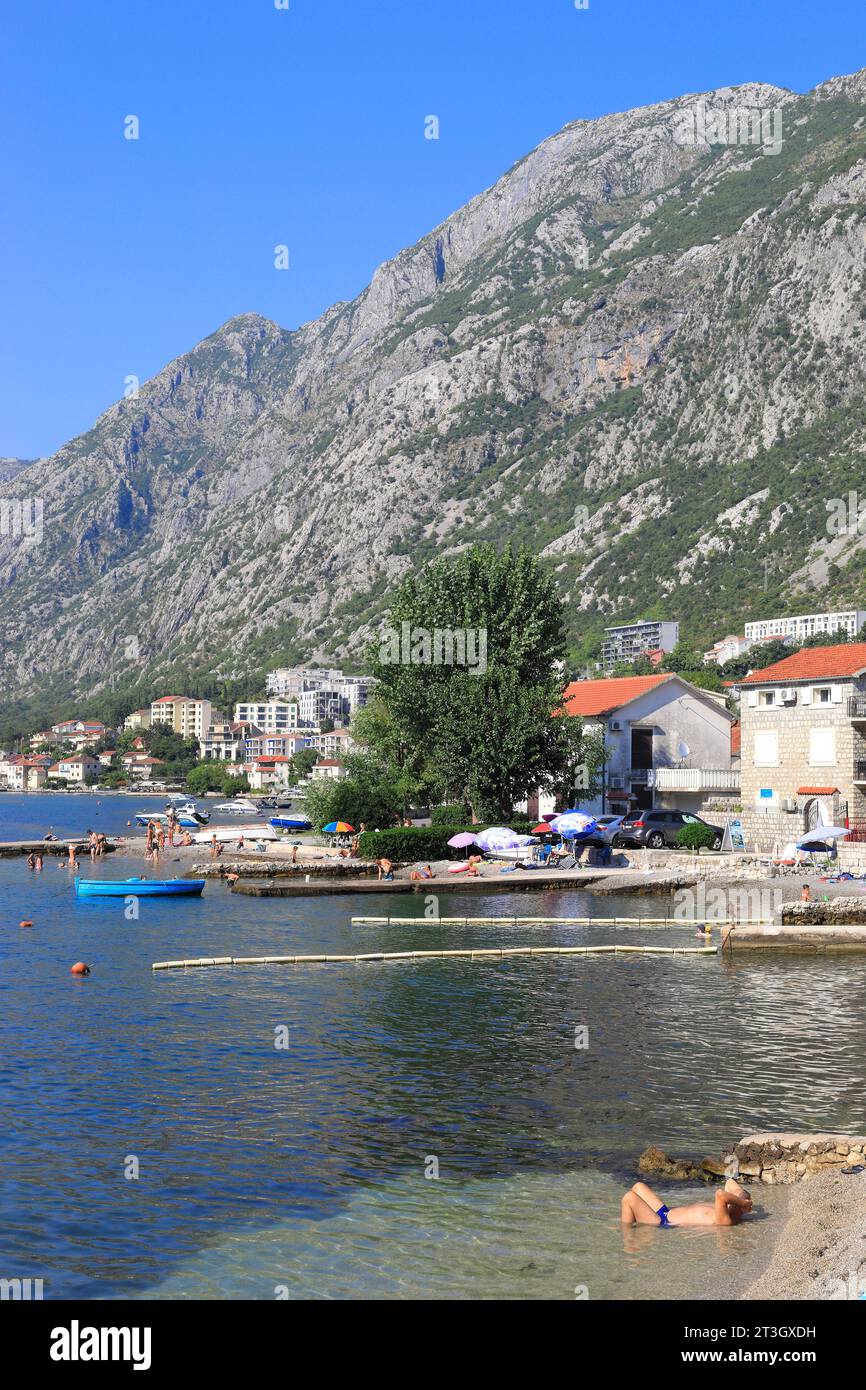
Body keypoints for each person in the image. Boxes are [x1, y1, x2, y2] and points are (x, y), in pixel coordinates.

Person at [620, 1178, 753, 1228]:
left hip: (663, 1222)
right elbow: (730, 1182)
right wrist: (744, 1198)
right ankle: (632, 1219)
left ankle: (627, 1232)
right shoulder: (732, 1208)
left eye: (733, 1202)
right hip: (665, 1212)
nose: (731, 1202)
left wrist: (743, 1203)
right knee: (638, 1186)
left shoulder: (725, 1219)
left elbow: (720, 1194)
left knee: (628, 1198)